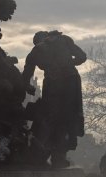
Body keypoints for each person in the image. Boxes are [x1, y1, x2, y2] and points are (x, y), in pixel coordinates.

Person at [21, 30, 87, 168]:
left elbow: (27, 73)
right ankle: (59, 157)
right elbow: (82, 56)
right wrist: (68, 63)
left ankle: (41, 153)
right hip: (71, 82)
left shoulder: (36, 50)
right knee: (67, 118)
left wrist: (27, 87)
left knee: (49, 118)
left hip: (53, 84)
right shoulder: (65, 40)